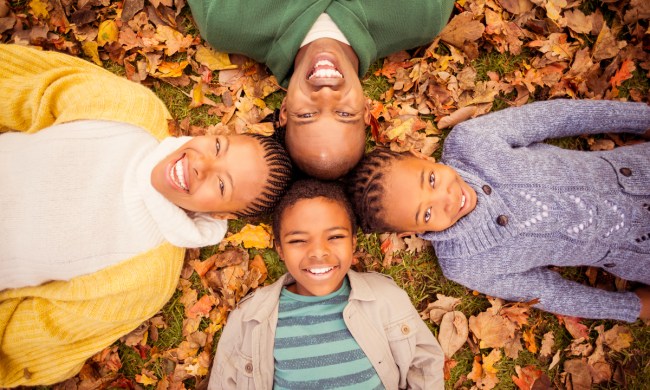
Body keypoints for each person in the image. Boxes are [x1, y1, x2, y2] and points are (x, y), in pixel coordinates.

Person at [0, 44, 292, 387]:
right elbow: (27, 88)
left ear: (221, 215)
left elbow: (35, 332)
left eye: (222, 185)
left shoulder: (147, 278)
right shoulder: (135, 111)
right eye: (217, 148)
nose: (201, 165)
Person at [346, 99, 650, 323]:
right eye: (426, 214)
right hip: (639, 254)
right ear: (410, 233)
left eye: (432, 179)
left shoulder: (472, 142)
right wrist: (630, 307)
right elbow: (547, 291)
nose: (447, 198)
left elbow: (558, 117)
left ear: (419, 156)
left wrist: (641, 118)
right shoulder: (464, 264)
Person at [208, 179, 444, 389]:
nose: (318, 252)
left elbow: (425, 362)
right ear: (279, 248)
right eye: (299, 240)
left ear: (353, 242)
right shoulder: (249, 317)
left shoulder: (386, 297)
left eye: (335, 237)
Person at [188, 0, 455, 179]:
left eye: (307, 115)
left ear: (284, 112)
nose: (326, 94)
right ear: (365, 109)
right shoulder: (421, 14)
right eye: (344, 114)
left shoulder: (224, 19)